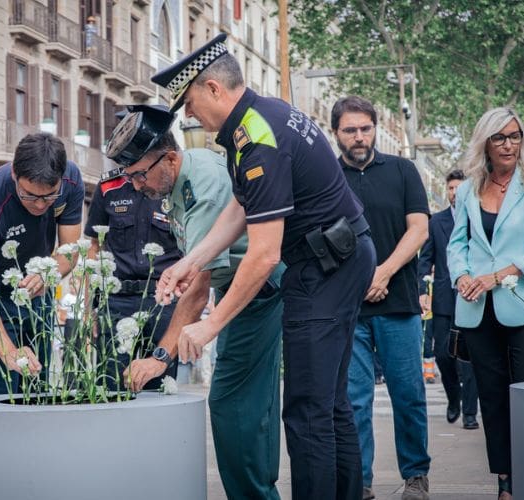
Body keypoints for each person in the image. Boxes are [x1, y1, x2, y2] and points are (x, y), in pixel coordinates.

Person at [152, 34, 376, 500]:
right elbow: (241, 206)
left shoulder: (256, 139)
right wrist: (190, 261)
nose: (189, 115)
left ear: (214, 89)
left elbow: (264, 254)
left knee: (308, 411)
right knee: (330, 405)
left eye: (189, 103)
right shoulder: (258, 119)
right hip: (339, 258)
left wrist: (211, 323)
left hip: (325, 268)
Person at [108, 104, 284, 499]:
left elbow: (198, 290)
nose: (135, 186)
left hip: (255, 291)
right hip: (241, 289)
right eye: (129, 176)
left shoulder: (201, 185)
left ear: (170, 159)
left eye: (139, 175)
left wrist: (159, 357)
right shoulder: (182, 177)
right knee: (253, 405)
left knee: (232, 404)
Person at [447, 107, 524, 500]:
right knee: (492, 399)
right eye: (499, 137)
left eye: (515, 136)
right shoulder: (467, 190)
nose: (508, 144)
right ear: (486, 142)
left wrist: (496, 277)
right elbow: (457, 244)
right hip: (478, 310)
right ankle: (506, 484)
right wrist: (462, 276)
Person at [333, 95, 431, 500]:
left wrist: (383, 272)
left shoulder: (402, 170)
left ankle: (416, 475)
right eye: (350, 130)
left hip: (399, 304)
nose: (359, 136)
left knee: (409, 395)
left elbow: (419, 229)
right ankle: (360, 482)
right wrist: (360, 280)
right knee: (354, 401)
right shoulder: (327, 177)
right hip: (349, 309)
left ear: (374, 128)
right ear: (335, 133)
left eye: (365, 128)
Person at [0, 132, 83, 396]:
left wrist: (49, 273)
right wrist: (9, 352)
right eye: (29, 196)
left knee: (37, 385)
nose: (39, 205)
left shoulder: (72, 180)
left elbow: (70, 252)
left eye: (49, 197)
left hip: (38, 288)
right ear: (14, 174)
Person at [85, 134, 182, 390]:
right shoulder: (109, 187)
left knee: (160, 385)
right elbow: (94, 247)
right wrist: (90, 307)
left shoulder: (169, 183)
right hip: (117, 302)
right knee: (111, 386)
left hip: (163, 301)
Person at [418, 169, 479, 430]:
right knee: (443, 355)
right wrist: (422, 290)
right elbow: (425, 260)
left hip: (473, 296)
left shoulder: (478, 218)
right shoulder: (436, 221)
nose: (454, 193)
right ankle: (454, 396)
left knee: (471, 357)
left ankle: (470, 413)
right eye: (451, 188)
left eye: (459, 188)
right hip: (443, 298)